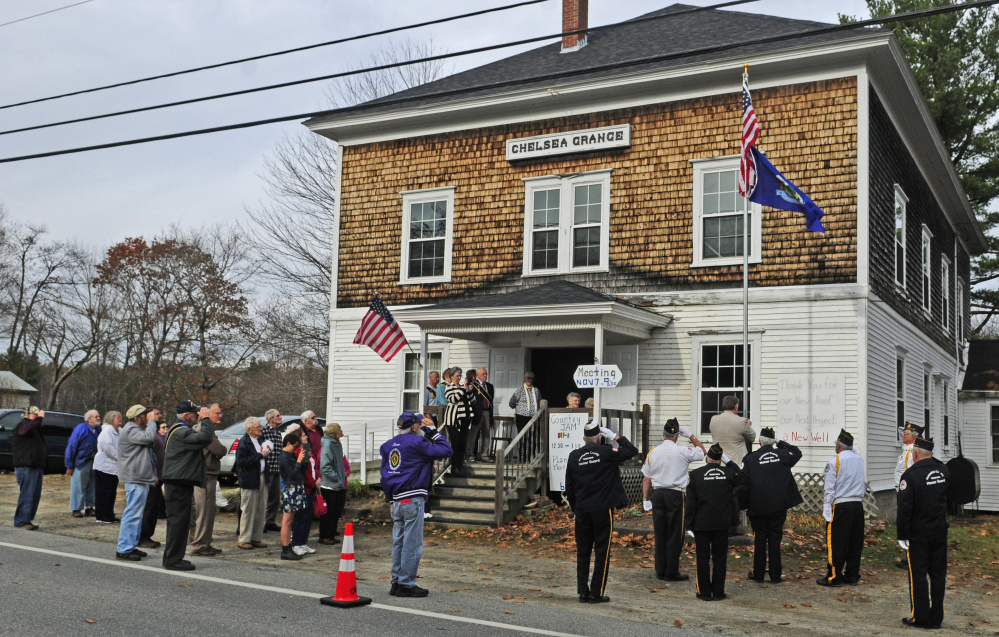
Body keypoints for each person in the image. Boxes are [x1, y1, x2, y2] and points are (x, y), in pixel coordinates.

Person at [380, 411, 453, 598]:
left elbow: (385, 474)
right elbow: (446, 449)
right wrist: (433, 431)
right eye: (420, 424)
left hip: (396, 498)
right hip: (412, 497)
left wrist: (391, 497)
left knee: (399, 543)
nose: (421, 427)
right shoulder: (417, 442)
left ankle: (396, 581)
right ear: (414, 427)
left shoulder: (388, 445)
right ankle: (406, 583)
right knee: (412, 544)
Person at [565, 421, 638, 603]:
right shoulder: (606, 452)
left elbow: (570, 486)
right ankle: (596, 593)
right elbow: (632, 451)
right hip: (602, 509)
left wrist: (576, 508)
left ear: (584, 438)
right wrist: (614, 436)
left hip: (582, 510)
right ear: (599, 437)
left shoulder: (574, 456)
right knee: (602, 550)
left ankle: (583, 591)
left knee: (583, 551)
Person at [641, 418, 706, 581]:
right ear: (677, 436)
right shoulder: (683, 451)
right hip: (676, 494)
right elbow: (702, 451)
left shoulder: (653, 451)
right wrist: (691, 435)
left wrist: (645, 498)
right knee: (675, 534)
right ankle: (671, 571)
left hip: (658, 494)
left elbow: (646, 479)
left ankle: (660, 570)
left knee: (660, 532)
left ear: (663, 434)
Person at [898, 435, 950, 629]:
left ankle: (921, 617)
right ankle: (936, 617)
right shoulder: (943, 470)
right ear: (932, 453)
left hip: (918, 534)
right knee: (938, 574)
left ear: (915, 453)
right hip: (939, 531)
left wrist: (902, 535)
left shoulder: (910, 476)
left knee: (918, 575)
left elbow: (905, 508)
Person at [741, 427, 802, 583]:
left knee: (760, 539)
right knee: (775, 538)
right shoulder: (782, 455)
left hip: (758, 506)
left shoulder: (751, 459)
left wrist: (744, 504)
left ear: (760, 441)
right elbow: (797, 452)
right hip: (778, 506)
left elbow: (744, 484)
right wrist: (781, 443)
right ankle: (775, 575)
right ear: (773, 442)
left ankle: (759, 574)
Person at [161, 401, 216, 571]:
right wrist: (206, 419)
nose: (197, 415)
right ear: (186, 416)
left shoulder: (181, 430)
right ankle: (172, 560)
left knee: (180, 522)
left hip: (179, 481)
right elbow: (205, 438)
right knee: (178, 522)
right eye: (194, 413)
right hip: (177, 483)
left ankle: (174, 558)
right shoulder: (180, 432)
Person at [686, 443, 744, 601]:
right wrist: (729, 462)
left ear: (707, 459)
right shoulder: (729, 473)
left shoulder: (696, 475)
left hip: (701, 522)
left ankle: (704, 592)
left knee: (702, 558)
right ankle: (718, 591)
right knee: (720, 558)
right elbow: (743, 476)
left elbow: (691, 502)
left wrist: (688, 524)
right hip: (722, 523)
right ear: (720, 460)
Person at [817, 428, 866, 587]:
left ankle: (834, 576)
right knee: (854, 542)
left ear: (838, 446)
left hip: (841, 505)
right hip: (857, 505)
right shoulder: (859, 459)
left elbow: (829, 488)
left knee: (837, 542)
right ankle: (852, 575)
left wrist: (826, 507)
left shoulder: (835, 461)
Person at [708, 395, 755, 535]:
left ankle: (717, 521)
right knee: (734, 495)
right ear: (736, 407)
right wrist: (749, 424)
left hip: (718, 461)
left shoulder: (713, 419)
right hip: (736, 463)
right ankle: (733, 525)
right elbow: (752, 437)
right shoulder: (741, 421)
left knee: (719, 494)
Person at [116, 405, 157, 561]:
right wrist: (152, 422)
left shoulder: (134, 430)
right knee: (132, 513)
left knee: (137, 514)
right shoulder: (130, 430)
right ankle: (124, 548)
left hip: (140, 477)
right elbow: (149, 438)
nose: (147, 417)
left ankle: (130, 545)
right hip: (135, 478)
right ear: (136, 418)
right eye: (145, 415)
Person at [190, 403, 226, 557]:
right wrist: (221, 451)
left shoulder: (209, 431)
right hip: (203, 476)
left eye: (220, 413)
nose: (220, 416)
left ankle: (206, 543)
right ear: (207, 415)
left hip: (209, 475)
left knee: (209, 512)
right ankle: (199, 545)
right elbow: (220, 450)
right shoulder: (203, 430)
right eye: (217, 413)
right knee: (203, 512)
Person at [235, 417, 269, 550]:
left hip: (261, 477)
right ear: (250, 429)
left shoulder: (260, 440)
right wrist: (260, 455)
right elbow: (242, 461)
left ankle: (256, 537)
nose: (261, 429)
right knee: (248, 509)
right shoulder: (244, 442)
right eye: (258, 427)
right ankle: (244, 539)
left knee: (261, 509)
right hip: (249, 479)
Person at [895, 422, 923, 569]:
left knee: (909, 523)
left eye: (905, 434)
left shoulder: (913, 451)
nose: (902, 435)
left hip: (907, 493)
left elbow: (910, 473)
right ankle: (910, 555)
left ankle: (912, 557)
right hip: (902, 491)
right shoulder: (906, 449)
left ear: (912, 437)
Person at [12, 407, 46, 530]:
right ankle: (21, 521)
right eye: (36, 415)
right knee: (27, 494)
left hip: (35, 466)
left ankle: (27, 519)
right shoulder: (23, 425)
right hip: (26, 467)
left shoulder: (34, 428)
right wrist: (39, 418)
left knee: (34, 495)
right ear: (29, 415)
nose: (38, 418)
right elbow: (24, 431)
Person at [278, 431, 310, 561]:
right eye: (295, 446)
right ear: (288, 443)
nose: (296, 449)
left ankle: (288, 547)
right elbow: (291, 474)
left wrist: (305, 459)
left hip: (296, 487)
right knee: (287, 521)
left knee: (291, 520)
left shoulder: (290, 455)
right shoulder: (284, 456)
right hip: (290, 488)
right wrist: (298, 461)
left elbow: (300, 472)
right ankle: (285, 549)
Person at [291, 419, 320, 556]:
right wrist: (313, 482)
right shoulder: (298, 452)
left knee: (308, 517)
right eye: (303, 436)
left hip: (312, 487)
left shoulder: (308, 450)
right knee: (300, 517)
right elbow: (304, 472)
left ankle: (304, 542)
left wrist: (318, 477)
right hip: (304, 488)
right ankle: (296, 543)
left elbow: (314, 466)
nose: (306, 437)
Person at [65, 409, 101, 518]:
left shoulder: (99, 429)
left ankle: (90, 507)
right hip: (81, 462)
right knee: (79, 486)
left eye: (99, 416)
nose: (98, 418)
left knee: (92, 486)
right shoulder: (80, 429)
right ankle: (76, 508)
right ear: (89, 419)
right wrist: (69, 465)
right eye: (96, 416)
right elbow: (71, 447)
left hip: (94, 462)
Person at [139, 410, 166, 549]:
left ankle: (148, 535)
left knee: (154, 508)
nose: (160, 416)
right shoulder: (148, 436)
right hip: (151, 478)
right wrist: (153, 473)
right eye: (157, 414)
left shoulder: (157, 434)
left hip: (159, 477)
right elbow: (148, 457)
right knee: (148, 507)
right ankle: (142, 536)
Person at [319, 422, 348, 545]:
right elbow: (325, 466)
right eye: (339, 429)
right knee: (329, 512)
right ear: (334, 432)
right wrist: (336, 477)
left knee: (336, 511)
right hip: (330, 485)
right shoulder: (328, 444)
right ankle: (324, 536)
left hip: (339, 485)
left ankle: (331, 534)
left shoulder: (337, 444)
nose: (341, 431)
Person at [93, 411, 123, 524]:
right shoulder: (107, 431)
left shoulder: (120, 431)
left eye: (120, 417)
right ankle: (101, 515)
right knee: (103, 492)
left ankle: (109, 513)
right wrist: (121, 458)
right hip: (104, 466)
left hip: (114, 467)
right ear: (111, 419)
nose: (120, 419)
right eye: (117, 417)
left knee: (111, 492)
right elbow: (108, 448)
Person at [443, 367, 474, 476]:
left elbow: (472, 400)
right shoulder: (448, 387)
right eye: (457, 376)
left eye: (460, 376)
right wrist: (463, 390)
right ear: (451, 377)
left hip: (465, 419)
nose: (459, 378)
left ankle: (460, 467)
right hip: (453, 421)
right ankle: (454, 467)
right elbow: (453, 399)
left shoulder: (462, 387)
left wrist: (469, 391)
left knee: (462, 444)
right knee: (455, 444)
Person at [260, 408, 284, 533]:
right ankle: (261, 522)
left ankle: (270, 521)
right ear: (271, 419)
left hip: (277, 469)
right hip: (267, 469)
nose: (280, 417)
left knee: (274, 498)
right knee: (264, 496)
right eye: (278, 416)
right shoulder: (263, 431)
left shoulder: (278, 432)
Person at [509, 372, 542, 459]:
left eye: (531, 378)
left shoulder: (536, 390)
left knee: (533, 436)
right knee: (522, 436)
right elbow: (511, 403)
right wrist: (519, 407)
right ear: (524, 378)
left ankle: (532, 456)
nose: (529, 380)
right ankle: (522, 456)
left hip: (533, 417)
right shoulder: (520, 390)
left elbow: (540, 402)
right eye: (528, 378)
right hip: (521, 416)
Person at [471, 367, 495, 460]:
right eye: (483, 374)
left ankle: (484, 454)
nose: (485, 376)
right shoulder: (473, 385)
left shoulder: (490, 386)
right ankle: (470, 454)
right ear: (477, 375)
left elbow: (490, 401)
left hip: (487, 412)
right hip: (477, 412)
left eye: (486, 374)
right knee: (473, 435)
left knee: (486, 434)